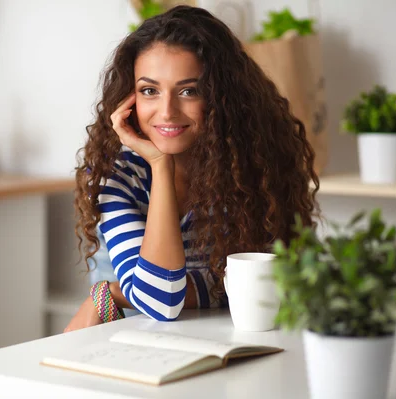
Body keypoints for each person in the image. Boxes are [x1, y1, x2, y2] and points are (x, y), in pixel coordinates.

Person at [64, 5, 319, 332]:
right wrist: (160, 165)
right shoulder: (115, 177)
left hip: (213, 348)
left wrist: (115, 292)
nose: (167, 111)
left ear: (220, 97)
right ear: (129, 99)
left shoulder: (253, 172)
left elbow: (275, 282)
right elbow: (160, 301)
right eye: (149, 91)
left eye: (188, 90)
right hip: (120, 347)